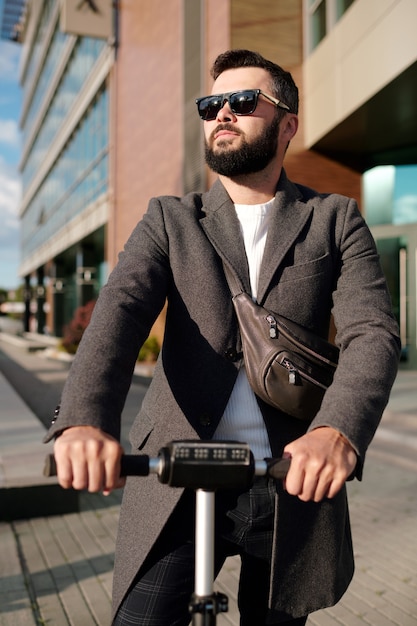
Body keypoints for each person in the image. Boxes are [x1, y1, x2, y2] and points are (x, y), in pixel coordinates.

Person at [46, 49, 401, 625]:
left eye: (242, 102)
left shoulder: (336, 218)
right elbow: (121, 311)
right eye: (212, 105)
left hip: (291, 482)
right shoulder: (170, 218)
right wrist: (84, 418)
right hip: (178, 477)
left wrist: (339, 431)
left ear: (287, 125)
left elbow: (372, 333)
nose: (222, 115)